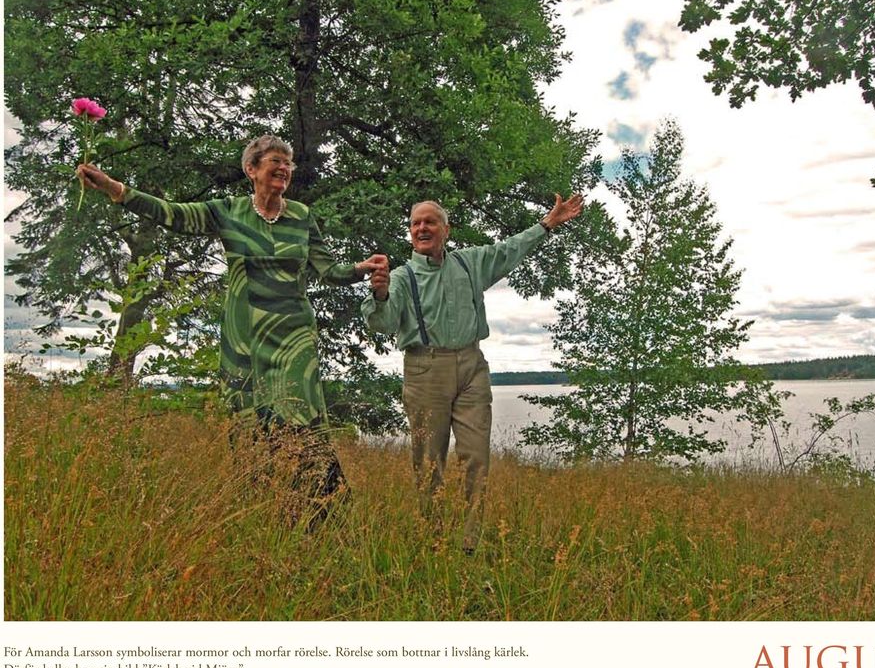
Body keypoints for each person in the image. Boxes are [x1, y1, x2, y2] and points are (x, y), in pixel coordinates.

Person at [76, 134, 388, 529]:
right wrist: (115, 189)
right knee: (251, 422)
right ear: (251, 169)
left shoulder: (301, 216)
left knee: (301, 418)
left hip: (294, 337)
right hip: (246, 339)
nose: (283, 169)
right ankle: (264, 512)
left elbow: (330, 271)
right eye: (274, 161)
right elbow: (172, 213)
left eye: (288, 164)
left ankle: (323, 518)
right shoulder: (229, 211)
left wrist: (361, 270)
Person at [361, 195, 584, 553]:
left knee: (476, 457)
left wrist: (546, 225)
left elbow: (510, 249)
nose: (422, 228)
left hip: (472, 366)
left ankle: (469, 541)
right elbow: (383, 325)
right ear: (410, 233)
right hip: (424, 369)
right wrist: (382, 294)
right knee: (429, 461)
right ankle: (431, 538)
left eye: (430, 221)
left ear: (446, 230)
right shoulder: (401, 277)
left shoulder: (469, 263)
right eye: (416, 223)